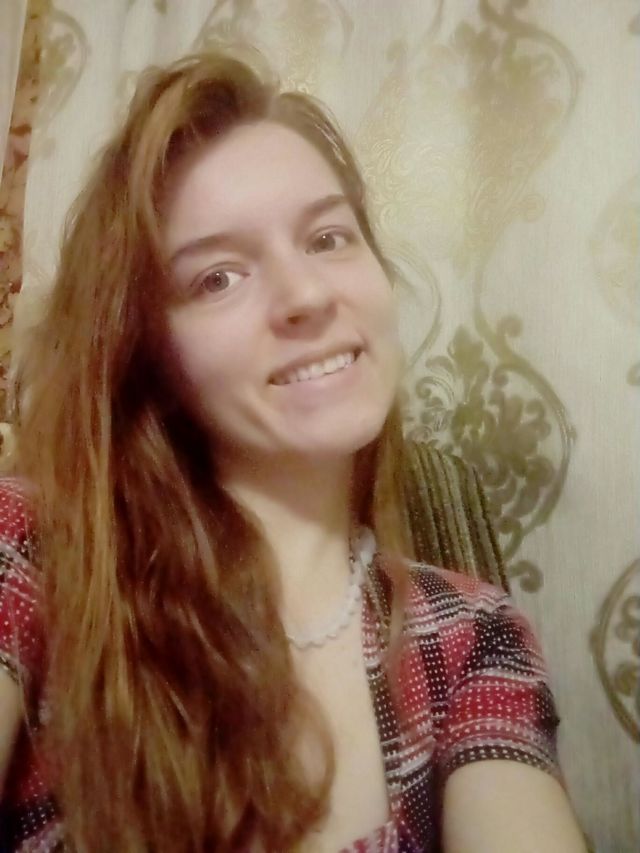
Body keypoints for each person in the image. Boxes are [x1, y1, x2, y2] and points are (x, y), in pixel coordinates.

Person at [0, 49, 586, 852]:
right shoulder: (34, 550)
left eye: (328, 237)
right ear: (152, 357)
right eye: (217, 278)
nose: (307, 295)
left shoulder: (473, 634)